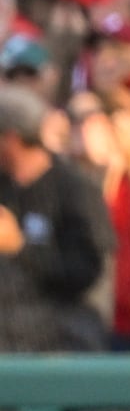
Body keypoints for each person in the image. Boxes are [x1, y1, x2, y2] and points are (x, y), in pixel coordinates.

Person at [0, 84, 115, 352]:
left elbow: (86, 273)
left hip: (60, 344)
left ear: (12, 139)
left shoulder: (75, 190)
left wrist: (20, 248)